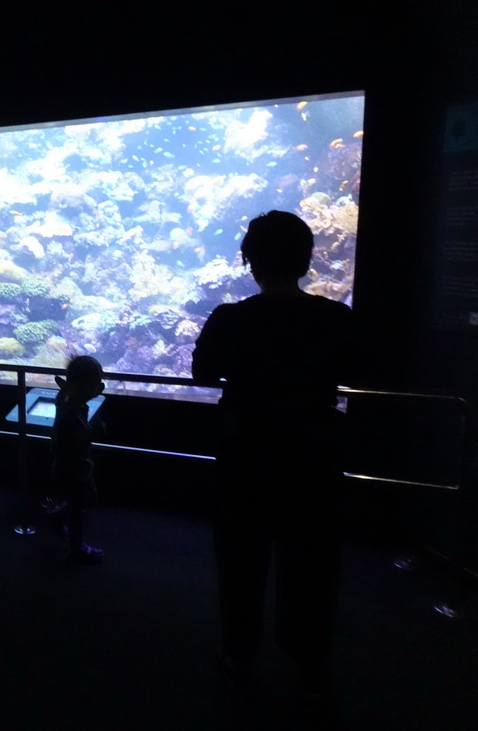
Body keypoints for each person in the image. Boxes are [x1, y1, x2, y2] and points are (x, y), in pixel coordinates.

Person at [191, 210, 355, 694]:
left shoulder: (231, 318)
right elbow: (356, 370)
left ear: (250, 262)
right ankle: (309, 658)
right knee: (312, 559)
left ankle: (240, 653)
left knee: (241, 558)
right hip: (314, 456)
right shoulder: (334, 318)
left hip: (246, 454)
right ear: (306, 259)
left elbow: (203, 373)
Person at [47, 354, 106, 564]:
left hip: (62, 466)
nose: (100, 388)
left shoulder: (64, 399)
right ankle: (77, 547)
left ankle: (57, 516)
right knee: (82, 503)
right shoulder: (73, 414)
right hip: (75, 468)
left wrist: (68, 387)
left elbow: (64, 392)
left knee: (79, 499)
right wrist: (94, 432)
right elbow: (76, 442)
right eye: (96, 385)